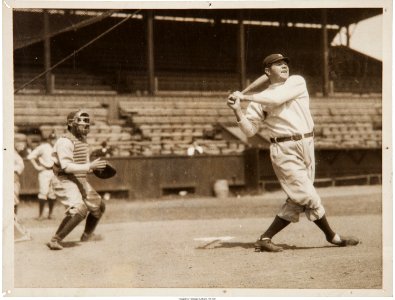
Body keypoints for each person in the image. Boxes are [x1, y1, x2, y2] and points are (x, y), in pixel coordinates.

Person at [227, 53, 359, 252]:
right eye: (277, 64)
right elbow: (250, 130)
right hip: (284, 150)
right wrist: (238, 110)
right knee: (307, 196)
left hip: (307, 144)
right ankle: (333, 237)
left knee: (298, 199)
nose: (283, 66)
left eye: (284, 63)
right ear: (267, 71)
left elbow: (276, 97)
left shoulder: (296, 82)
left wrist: (243, 95)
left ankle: (265, 238)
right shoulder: (258, 101)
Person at [46, 110, 107, 250]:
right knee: (80, 210)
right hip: (63, 179)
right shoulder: (64, 141)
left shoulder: (82, 141)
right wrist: (89, 166)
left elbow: (82, 166)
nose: (85, 126)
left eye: (87, 123)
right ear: (71, 124)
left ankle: (86, 236)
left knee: (99, 206)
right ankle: (55, 240)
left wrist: (94, 169)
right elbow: (66, 167)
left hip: (78, 178)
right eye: (82, 123)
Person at [27, 133, 57, 220]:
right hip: (44, 171)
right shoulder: (44, 147)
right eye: (51, 139)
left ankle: (50, 214)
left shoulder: (57, 147)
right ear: (48, 139)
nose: (53, 141)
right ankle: (40, 215)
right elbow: (30, 156)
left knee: (52, 193)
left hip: (54, 172)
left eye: (54, 139)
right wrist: (37, 166)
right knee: (43, 193)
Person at [14, 144, 25, 215]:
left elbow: (21, 166)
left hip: (13, 175)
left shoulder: (16, 155)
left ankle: (13, 219)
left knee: (14, 198)